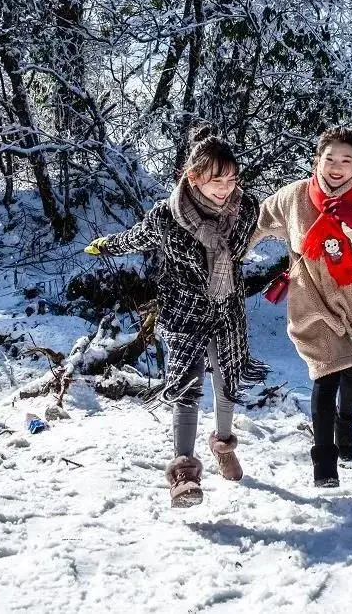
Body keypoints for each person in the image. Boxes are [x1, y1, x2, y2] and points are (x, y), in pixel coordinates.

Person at [85, 128, 266, 507]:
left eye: (232, 180)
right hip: (185, 311)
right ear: (193, 177)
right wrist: (107, 245)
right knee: (188, 384)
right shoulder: (169, 217)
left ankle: (223, 443)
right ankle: (184, 471)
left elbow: (279, 226)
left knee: (227, 378)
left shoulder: (246, 210)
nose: (226, 189)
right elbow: (136, 237)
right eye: (218, 181)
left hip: (228, 309)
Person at [251, 126, 352, 487]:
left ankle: (344, 422)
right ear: (317, 159)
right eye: (329, 158)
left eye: (345, 160)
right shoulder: (294, 196)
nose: (336, 166)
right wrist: (225, 252)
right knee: (326, 371)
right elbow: (256, 222)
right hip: (311, 298)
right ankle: (324, 462)